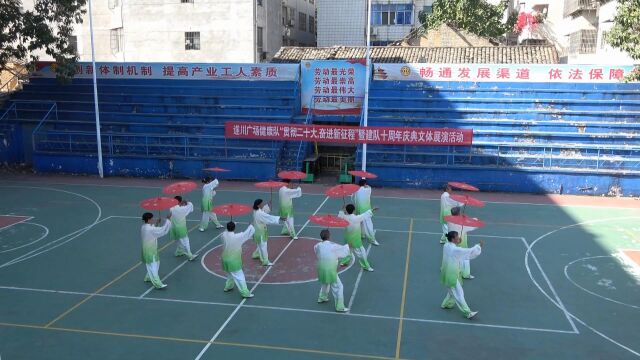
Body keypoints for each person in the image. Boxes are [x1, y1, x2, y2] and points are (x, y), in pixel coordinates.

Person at [440, 231, 484, 319]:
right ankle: (467, 312)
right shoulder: (455, 250)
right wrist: (478, 246)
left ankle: (445, 304)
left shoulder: (446, 245)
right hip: (451, 275)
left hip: (447, 274)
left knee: (452, 291)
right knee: (459, 294)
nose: (459, 238)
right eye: (457, 237)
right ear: (453, 239)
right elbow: (469, 251)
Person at [315, 229, 351, 312]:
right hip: (330, 270)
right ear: (329, 236)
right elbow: (343, 252)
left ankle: (322, 297)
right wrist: (348, 246)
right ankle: (339, 306)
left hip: (321, 268)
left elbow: (317, 252)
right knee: (339, 286)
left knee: (325, 282)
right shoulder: (333, 246)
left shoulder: (317, 246)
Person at [221, 221, 256, 298]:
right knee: (240, 277)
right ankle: (245, 293)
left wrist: (232, 224)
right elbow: (246, 234)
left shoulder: (223, 235)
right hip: (233, 261)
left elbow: (226, 231)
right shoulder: (237, 237)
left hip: (225, 259)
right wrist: (251, 226)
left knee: (230, 274)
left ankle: (228, 287)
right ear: (234, 228)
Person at [337, 204, 374, 271]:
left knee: (347, 250)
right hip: (355, 240)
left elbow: (340, 215)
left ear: (346, 210)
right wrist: (372, 210)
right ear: (354, 210)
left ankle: (344, 262)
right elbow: (366, 214)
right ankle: (366, 266)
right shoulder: (356, 218)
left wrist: (342, 210)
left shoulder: (344, 217)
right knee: (362, 253)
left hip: (347, 239)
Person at [141, 212, 172, 289]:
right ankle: (158, 284)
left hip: (148, 250)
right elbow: (162, 230)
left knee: (155, 263)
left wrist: (157, 223)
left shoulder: (144, 227)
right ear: (148, 220)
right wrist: (168, 220)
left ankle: (148, 277)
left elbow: (153, 231)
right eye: (151, 218)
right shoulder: (150, 229)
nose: (153, 219)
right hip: (150, 251)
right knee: (153, 266)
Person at [251, 199, 284, 266]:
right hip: (261, 232)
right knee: (263, 246)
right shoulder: (259, 213)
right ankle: (265, 261)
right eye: (261, 204)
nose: (262, 204)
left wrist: (268, 205)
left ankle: (259, 256)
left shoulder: (255, 211)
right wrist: (280, 218)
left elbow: (263, 211)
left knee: (259, 245)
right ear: (258, 205)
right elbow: (268, 218)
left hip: (256, 232)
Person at [446, 207, 477, 279]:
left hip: (452, 242)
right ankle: (465, 274)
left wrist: (463, 219)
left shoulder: (449, 220)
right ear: (459, 213)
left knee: (452, 256)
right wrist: (467, 219)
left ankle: (447, 268)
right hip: (461, 242)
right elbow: (474, 225)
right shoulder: (462, 224)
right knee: (466, 257)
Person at [352, 178, 379, 246]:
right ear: (364, 184)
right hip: (366, 211)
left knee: (360, 224)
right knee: (369, 226)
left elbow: (353, 198)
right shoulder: (367, 189)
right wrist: (366, 186)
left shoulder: (356, 190)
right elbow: (369, 188)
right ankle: (372, 240)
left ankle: (362, 235)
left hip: (358, 210)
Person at [170, 196, 197, 261]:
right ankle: (190, 255)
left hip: (173, 227)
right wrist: (186, 202)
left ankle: (179, 252)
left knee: (178, 240)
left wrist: (181, 204)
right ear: (180, 201)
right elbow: (190, 207)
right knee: (186, 240)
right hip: (181, 227)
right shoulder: (182, 209)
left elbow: (177, 208)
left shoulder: (171, 208)